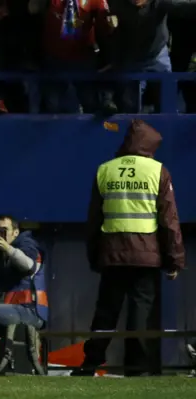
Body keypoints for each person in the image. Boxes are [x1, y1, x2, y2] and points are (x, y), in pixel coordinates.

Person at [74, 119, 185, 376]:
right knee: (140, 315)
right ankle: (136, 370)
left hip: (112, 254)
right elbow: (169, 220)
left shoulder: (105, 170)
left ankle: (90, 364)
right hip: (146, 257)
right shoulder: (157, 170)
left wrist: (95, 256)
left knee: (106, 312)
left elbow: (94, 219)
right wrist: (175, 259)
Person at [0, 215, 48, 375]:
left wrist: (8, 249)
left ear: (16, 232)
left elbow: (29, 266)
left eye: (4, 231)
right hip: (17, 310)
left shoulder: (27, 244)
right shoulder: (1, 253)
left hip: (32, 311)